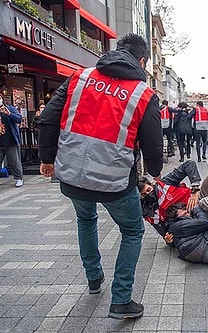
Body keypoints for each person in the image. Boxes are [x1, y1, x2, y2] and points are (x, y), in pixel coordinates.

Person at [37, 33, 163, 320]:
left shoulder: (78, 78)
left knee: (86, 218)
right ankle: (121, 299)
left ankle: (94, 279)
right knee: (132, 231)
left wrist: (46, 160)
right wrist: (154, 173)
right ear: (142, 61)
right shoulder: (144, 94)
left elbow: (47, 119)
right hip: (115, 183)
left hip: (72, 178)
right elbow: (154, 144)